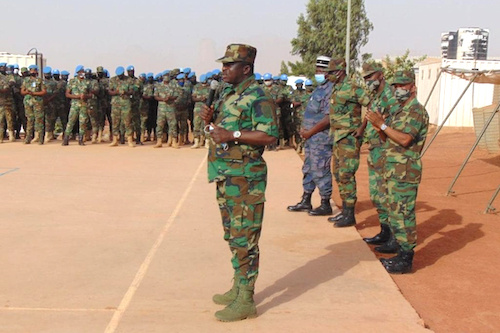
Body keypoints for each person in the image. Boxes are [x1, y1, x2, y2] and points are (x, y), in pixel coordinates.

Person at [200, 43, 278, 322]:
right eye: (223, 64)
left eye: (228, 65)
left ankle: (246, 298)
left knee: (246, 237)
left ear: (245, 68)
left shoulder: (259, 96)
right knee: (232, 235)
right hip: (225, 175)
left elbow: (269, 137)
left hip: (246, 177)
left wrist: (231, 133)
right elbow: (218, 134)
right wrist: (210, 124)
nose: (223, 69)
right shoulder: (227, 94)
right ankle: (238, 285)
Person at [365, 70, 429, 274]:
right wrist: (380, 129)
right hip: (392, 169)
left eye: (402, 86)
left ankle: (406, 258)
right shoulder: (399, 111)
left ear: (413, 87)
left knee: (404, 214)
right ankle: (400, 251)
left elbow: (405, 139)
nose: (398, 90)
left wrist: (382, 124)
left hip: (406, 171)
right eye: (395, 86)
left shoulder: (416, 111)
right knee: (395, 213)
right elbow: (389, 139)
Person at [287, 56, 337, 216]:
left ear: (329, 72)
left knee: (320, 168)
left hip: (321, 138)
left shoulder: (331, 90)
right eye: (317, 70)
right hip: (310, 138)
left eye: (322, 71)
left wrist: (310, 131)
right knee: (308, 168)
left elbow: (329, 117)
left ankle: (325, 203)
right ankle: (306, 200)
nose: (319, 73)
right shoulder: (318, 89)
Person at [358, 63, 400, 249]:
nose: (368, 81)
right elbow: (369, 117)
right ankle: (384, 231)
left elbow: (393, 126)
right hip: (374, 150)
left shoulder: (391, 97)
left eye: (370, 77)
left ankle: (394, 238)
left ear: (381, 75)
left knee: (388, 195)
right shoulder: (376, 96)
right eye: (365, 78)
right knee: (376, 194)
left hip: (386, 150)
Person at [327, 58, 370, 227]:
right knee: (338, 174)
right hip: (338, 137)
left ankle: (350, 215)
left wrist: (361, 128)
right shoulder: (337, 87)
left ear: (339, 71)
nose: (328, 75)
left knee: (346, 174)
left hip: (349, 138)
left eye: (330, 72)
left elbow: (372, 105)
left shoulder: (353, 87)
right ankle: (345, 211)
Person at [62, 65, 91, 146]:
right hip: (75, 105)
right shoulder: (72, 81)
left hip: (84, 104)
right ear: (77, 73)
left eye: (83, 71)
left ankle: (81, 139)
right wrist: (77, 97)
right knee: (71, 121)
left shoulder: (87, 82)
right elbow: (67, 94)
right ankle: (66, 138)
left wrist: (86, 96)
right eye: (80, 72)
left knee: (83, 122)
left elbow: (91, 94)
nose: (82, 73)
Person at [108, 66, 134, 147]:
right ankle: (115, 140)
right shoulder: (112, 80)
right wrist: (116, 92)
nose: (120, 77)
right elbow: (109, 91)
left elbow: (132, 91)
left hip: (126, 103)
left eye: (121, 75)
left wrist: (126, 92)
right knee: (115, 122)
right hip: (115, 104)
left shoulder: (129, 80)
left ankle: (130, 140)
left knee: (127, 121)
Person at [21, 65, 47, 144]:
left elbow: (44, 91)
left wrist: (34, 93)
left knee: (39, 120)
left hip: (37, 102)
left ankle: (40, 138)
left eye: (34, 70)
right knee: (29, 120)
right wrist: (27, 92)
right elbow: (22, 91)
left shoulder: (40, 80)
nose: (33, 72)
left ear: (37, 71)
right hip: (28, 102)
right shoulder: (26, 80)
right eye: (31, 70)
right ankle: (28, 138)